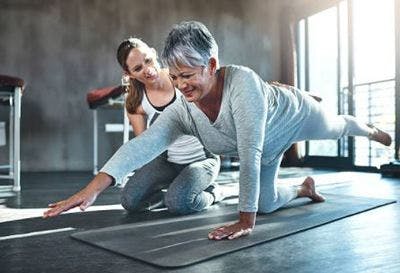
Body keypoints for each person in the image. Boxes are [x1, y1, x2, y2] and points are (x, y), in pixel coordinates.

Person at [45, 21, 392, 242]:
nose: (181, 86)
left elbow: (249, 152)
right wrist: (91, 189)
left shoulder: (242, 86)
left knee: (336, 127)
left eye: (189, 76)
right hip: (266, 147)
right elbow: (146, 143)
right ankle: (304, 187)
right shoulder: (183, 108)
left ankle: (369, 128)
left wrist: (244, 221)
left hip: (292, 117)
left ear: (211, 65)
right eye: (176, 77)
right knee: (267, 203)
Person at [43, 37, 221, 218]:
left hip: (202, 158)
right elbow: (142, 147)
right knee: (130, 201)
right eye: (138, 68)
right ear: (129, 74)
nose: (148, 70)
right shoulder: (135, 101)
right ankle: (173, 193)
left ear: (153, 52)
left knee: (178, 203)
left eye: (147, 60)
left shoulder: (179, 77)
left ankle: (213, 193)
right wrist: (94, 189)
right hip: (168, 161)